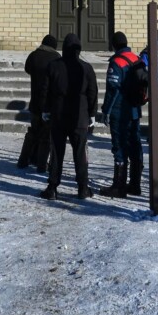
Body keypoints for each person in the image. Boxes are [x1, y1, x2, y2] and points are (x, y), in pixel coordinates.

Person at [39, 33, 98, 200]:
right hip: (79, 116)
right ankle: (82, 187)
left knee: (57, 152)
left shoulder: (54, 66)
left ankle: (52, 187)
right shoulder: (86, 67)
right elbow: (92, 92)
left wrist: (46, 109)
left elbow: (46, 90)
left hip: (58, 115)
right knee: (80, 152)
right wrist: (92, 113)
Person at [100, 31, 144, 198]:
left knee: (119, 146)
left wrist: (106, 111)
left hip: (120, 111)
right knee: (135, 144)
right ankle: (135, 184)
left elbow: (113, 90)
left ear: (114, 45)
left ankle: (119, 186)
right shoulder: (136, 59)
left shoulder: (116, 62)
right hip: (134, 110)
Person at [17, 34, 60, 173]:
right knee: (46, 135)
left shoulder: (33, 55)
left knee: (33, 132)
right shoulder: (56, 58)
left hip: (35, 102)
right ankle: (41, 165)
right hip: (49, 103)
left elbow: (27, 69)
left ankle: (23, 160)